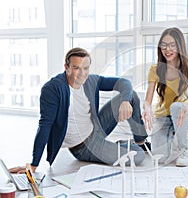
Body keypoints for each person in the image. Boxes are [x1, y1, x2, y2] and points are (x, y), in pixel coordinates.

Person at [10, 47, 149, 173]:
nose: (82, 74)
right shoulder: (52, 89)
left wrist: (125, 101)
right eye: (77, 68)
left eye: (86, 68)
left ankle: (140, 142)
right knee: (137, 157)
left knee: (132, 96)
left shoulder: (90, 80)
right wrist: (34, 164)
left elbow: (124, 83)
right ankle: (123, 145)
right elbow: (44, 125)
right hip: (84, 146)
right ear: (67, 67)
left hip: (96, 129)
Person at [142, 27, 188, 167]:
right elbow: (147, 100)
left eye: (172, 45)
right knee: (160, 159)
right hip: (163, 118)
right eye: (164, 45)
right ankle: (171, 138)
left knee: (176, 107)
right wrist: (147, 109)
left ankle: (183, 149)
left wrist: (187, 107)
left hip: (184, 115)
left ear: (179, 46)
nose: (167, 49)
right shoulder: (155, 69)